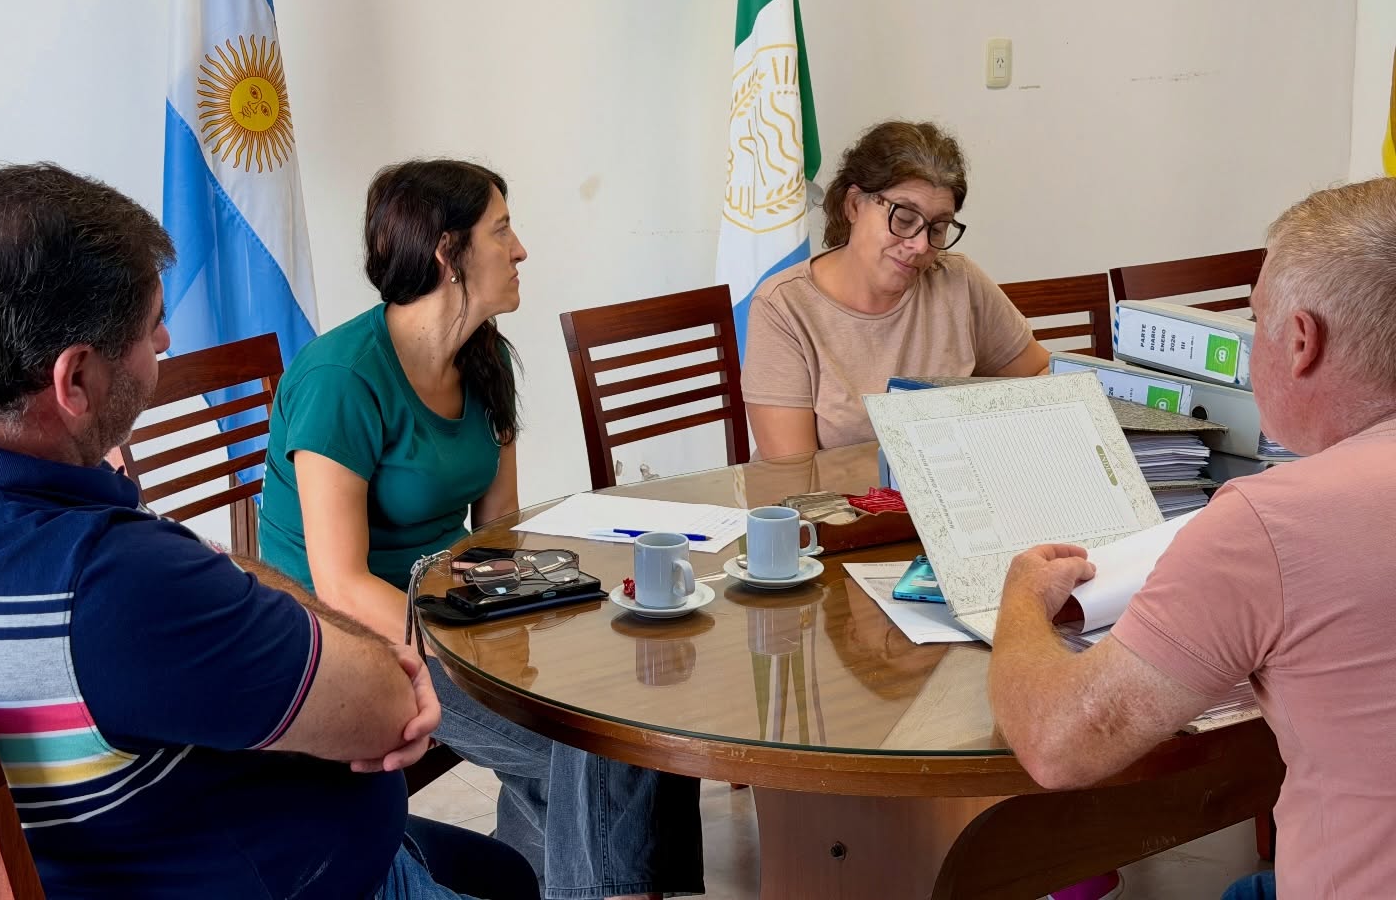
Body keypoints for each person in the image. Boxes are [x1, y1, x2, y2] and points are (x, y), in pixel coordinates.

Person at [0, 162, 539, 900]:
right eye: (148, 326)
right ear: (74, 381)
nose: (166, 337)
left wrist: (199, 562)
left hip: (142, 843)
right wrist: (202, 568)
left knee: (508, 874)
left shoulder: (77, 552)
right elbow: (390, 705)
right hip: (294, 875)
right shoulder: (117, 582)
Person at [258, 159, 704, 900]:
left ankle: (542, 879)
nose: (520, 249)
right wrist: (472, 644)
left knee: (639, 685)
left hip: (453, 611)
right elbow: (339, 584)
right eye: (502, 231)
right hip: (349, 640)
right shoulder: (341, 379)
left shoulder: (486, 356)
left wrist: (544, 608)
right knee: (594, 739)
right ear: (448, 252)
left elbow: (497, 532)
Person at [989, 177, 1396, 900]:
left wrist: (1020, 599)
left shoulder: (1275, 523)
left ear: (1302, 342)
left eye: (1257, 320)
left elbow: (1059, 744)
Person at [742, 120, 1049, 458]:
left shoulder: (958, 280)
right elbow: (793, 473)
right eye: (903, 218)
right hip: (834, 493)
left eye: (938, 227)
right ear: (854, 205)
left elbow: (1043, 374)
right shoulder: (783, 307)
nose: (921, 245)